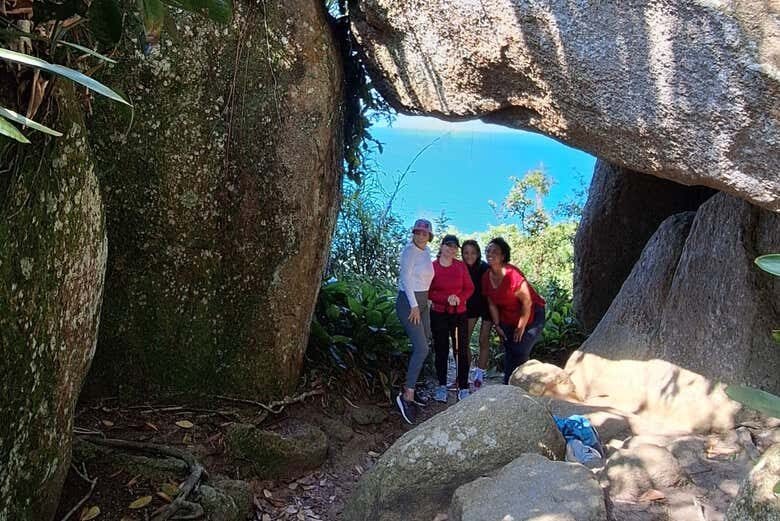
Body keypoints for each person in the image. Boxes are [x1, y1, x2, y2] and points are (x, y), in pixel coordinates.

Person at [482, 237, 546, 384]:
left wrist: (521, 326)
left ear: (503, 256)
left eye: (495, 251)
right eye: (488, 251)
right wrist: (497, 325)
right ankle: (508, 385)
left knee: (520, 350)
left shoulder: (512, 274)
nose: (490, 254)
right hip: (507, 317)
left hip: (532, 314)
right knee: (510, 349)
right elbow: (491, 303)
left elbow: (527, 302)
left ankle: (522, 386)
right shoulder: (486, 277)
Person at [395, 218, 435, 424]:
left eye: (424, 233)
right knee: (421, 348)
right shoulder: (409, 250)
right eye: (417, 232)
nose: (420, 236)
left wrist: (425, 301)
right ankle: (406, 395)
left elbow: (425, 279)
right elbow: (405, 278)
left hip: (422, 302)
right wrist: (414, 305)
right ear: (413, 234)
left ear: (429, 236)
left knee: (425, 342)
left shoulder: (427, 252)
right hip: (408, 303)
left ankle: (412, 384)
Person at [429, 234, 474, 402]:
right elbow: (429, 290)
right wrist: (444, 298)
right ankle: (441, 385)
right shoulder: (432, 267)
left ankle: (463, 386)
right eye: (448, 245)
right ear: (441, 246)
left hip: (459, 313)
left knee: (461, 349)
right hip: (439, 313)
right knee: (441, 349)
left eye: (455, 247)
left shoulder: (461, 267)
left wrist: (459, 298)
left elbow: (469, 288)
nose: (451, 249)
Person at [461, 239, 492, 389]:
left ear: (478, 253)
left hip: (487, 306)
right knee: (463, 341)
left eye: (473, 252)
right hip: (471, 307)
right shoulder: (460, 268)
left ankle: (479, 375)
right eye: (466, 252)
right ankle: (464, 374)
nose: (469, 255)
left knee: (483, 340)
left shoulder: (485, 268)